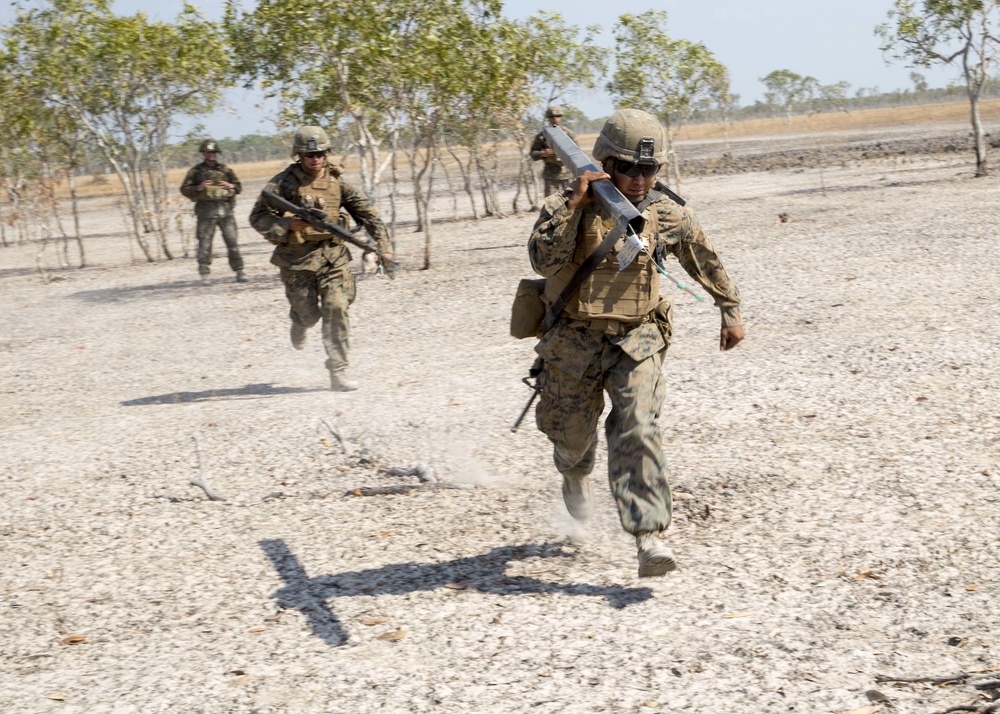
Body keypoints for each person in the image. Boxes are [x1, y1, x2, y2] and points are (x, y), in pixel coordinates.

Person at [526, 109, 744, 577]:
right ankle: (574, 474)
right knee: (571, 440)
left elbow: (703, 257)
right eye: (630, 167)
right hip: (573, 342)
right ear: (604, 161)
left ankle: (649, 535)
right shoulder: (563, 206)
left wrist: (729, 309)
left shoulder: (667, 212)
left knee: (637, 426)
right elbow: (543, 260)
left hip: (637, 338)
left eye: (651, 169)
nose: (642, 179)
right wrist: (575, 208)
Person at [249, 126, 391, 392]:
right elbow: (257, 216)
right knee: (308, 316)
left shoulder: (338, 183)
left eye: (320, 153)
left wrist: (385, 247)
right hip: (296, 262)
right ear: (299, 155)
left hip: (332, 258)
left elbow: (370, 216)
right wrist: (288, 225)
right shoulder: (282, 184)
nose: (315, 159)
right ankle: (299, 322)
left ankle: (338, 371)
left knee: (337, 307)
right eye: (309, 154)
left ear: (326, 154)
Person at [179, 139, 247, 284]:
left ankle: (239, 271)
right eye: (208, 152)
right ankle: (205, 273)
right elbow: (184, 189)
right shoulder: (196, 171)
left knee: (232, 243)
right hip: (205, 213)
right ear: (203, 153)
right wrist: (198, 188)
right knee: (205, 244)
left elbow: (239, 187)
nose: (211, 155)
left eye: (213, 152)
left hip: (226, 212)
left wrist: (230, 186)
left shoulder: (225, 170)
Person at [530, 104, 576, 198]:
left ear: (561, 117)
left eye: (558, 116)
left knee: (571, 204)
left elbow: (577, 153)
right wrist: (543, 153)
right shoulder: (542, 136)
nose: (555, 119)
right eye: (552, 117)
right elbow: (533, 154)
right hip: (551, 175)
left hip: (568, 175)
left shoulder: (569, 134)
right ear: (548, 118)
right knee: (551, 205)